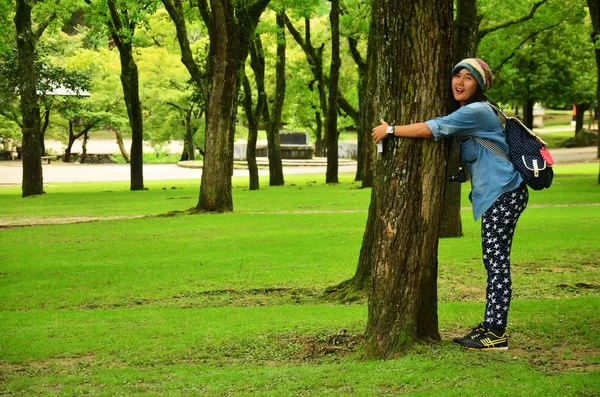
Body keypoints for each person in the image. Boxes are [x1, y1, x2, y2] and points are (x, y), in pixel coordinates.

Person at [371, 58, 528, 351]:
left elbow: (435, 128)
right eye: (457, 74)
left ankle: (495, 332)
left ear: (478, 86)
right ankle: (490, 326)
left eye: (469, 78)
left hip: (503, 192)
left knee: (496, 264)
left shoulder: (477, 111)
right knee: (494, 262)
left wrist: (391, 131)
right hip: (503, 192)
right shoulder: (479, 110)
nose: (460, 82)